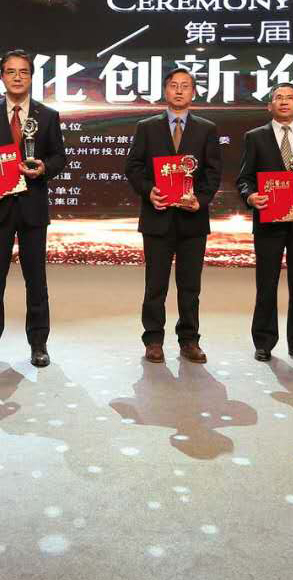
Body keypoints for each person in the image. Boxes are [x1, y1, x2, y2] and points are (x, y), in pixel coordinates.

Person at [0, 49, 67, 369]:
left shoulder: (47, 115)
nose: (17, 77)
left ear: (32, 77)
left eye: (23, 72)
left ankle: (39, 344)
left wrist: (44, 169)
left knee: (36, 280)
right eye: (11, 71)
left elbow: (59, 157)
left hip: (32, 207)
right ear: (2, 77)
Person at [123, 68, 222, 364]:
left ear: (194, 92)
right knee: (155, 284)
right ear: (165, 91)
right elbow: (133, 167)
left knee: (190, 286)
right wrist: (149, 191)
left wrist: (200, 200)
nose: (179, 91)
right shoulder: (147, 127)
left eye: (185, 86)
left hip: (193, 219)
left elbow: (213, 172)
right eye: (174, 86)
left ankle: (189, 340)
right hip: (158, 217)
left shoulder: (206, 129)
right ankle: (153, 340)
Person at [236, 83, 293, 363]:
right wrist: (250, 196)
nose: (284, 102)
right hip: (268, 219)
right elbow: (244, 178)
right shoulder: (255, 137)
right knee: (267, 284)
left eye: (290, 98)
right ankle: (264, 342)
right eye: (278, 98)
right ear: (269, 105)